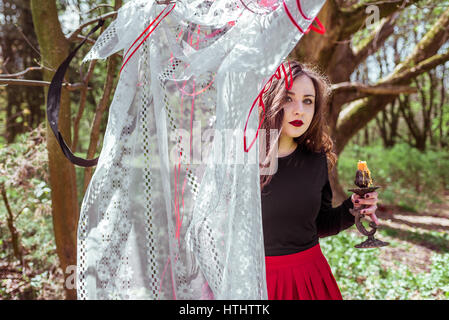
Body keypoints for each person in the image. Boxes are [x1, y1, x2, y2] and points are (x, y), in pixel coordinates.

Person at [259, 60, 379, 300]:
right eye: (288, 98)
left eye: (308, 101)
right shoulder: (243, 161)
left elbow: (320, 223)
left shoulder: (316, 160)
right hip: (257, 280)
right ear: (271, 101)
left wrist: (354, 208)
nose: (299, 110)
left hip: (308, 278)